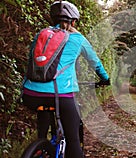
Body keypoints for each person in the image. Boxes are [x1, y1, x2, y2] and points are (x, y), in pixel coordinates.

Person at [21, 1, 110, 157]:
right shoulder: (78, 39)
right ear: (74, 21)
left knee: (43, 106)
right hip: (61, 96)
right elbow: (96, 64)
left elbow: (30, 62)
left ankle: (41, 144)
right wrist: (105, 79)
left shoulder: (40, 35)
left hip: (30, 95)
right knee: (73, 140)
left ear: (52, 20)